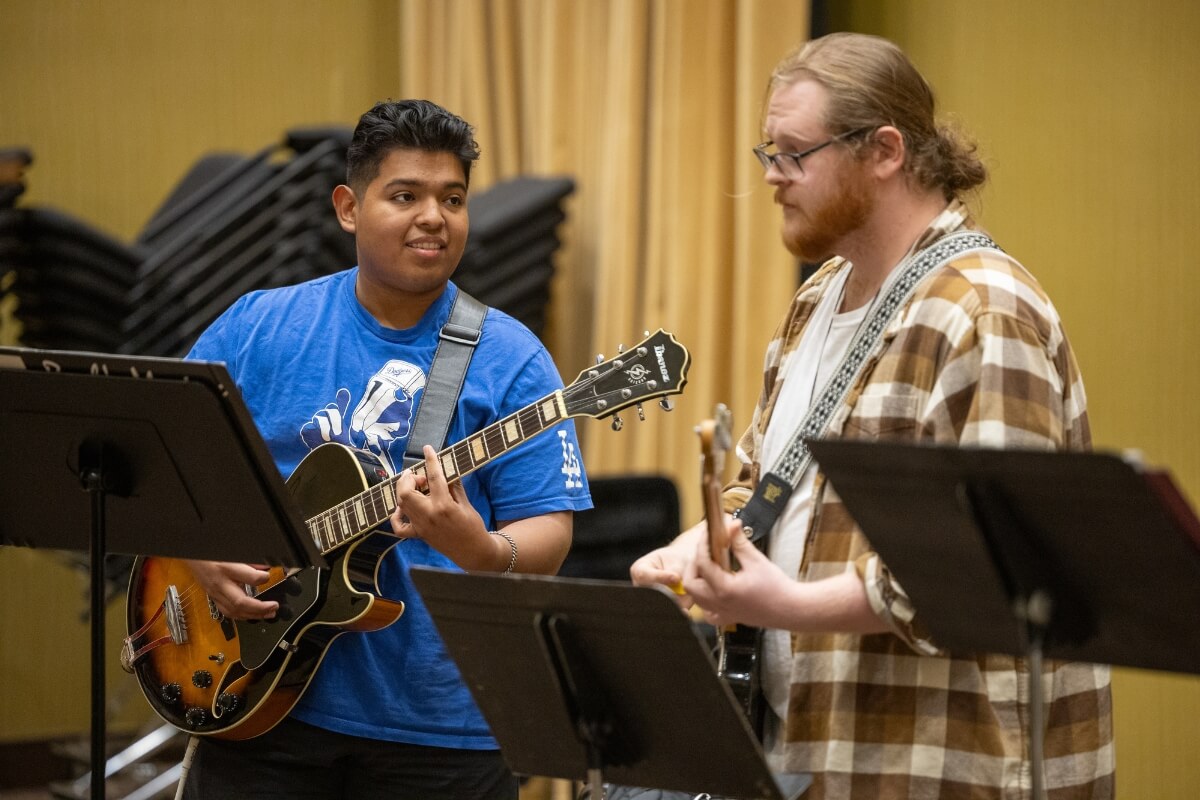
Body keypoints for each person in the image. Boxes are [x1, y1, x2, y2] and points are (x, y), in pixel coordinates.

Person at [630, 32, 1114, 799]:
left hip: (953, 764)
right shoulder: (819, 296)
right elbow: (766, 484)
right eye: (768, 153)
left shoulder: (983, 309)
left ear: (884, 151)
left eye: (794, 154)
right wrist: (703, 543)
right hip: (821, 756)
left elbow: (991, 568)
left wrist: (784, 604)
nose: (773, 178)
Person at [180, 98, 591, 799]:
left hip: (441, 724)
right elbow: (174, 458)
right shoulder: (261, 324)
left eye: (452, 198)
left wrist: (482, 550)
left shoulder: (512, 360)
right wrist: (196, 549)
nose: (434, 216)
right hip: (254, 697)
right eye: (406, 195)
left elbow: (549, 527)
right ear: (348, 207)